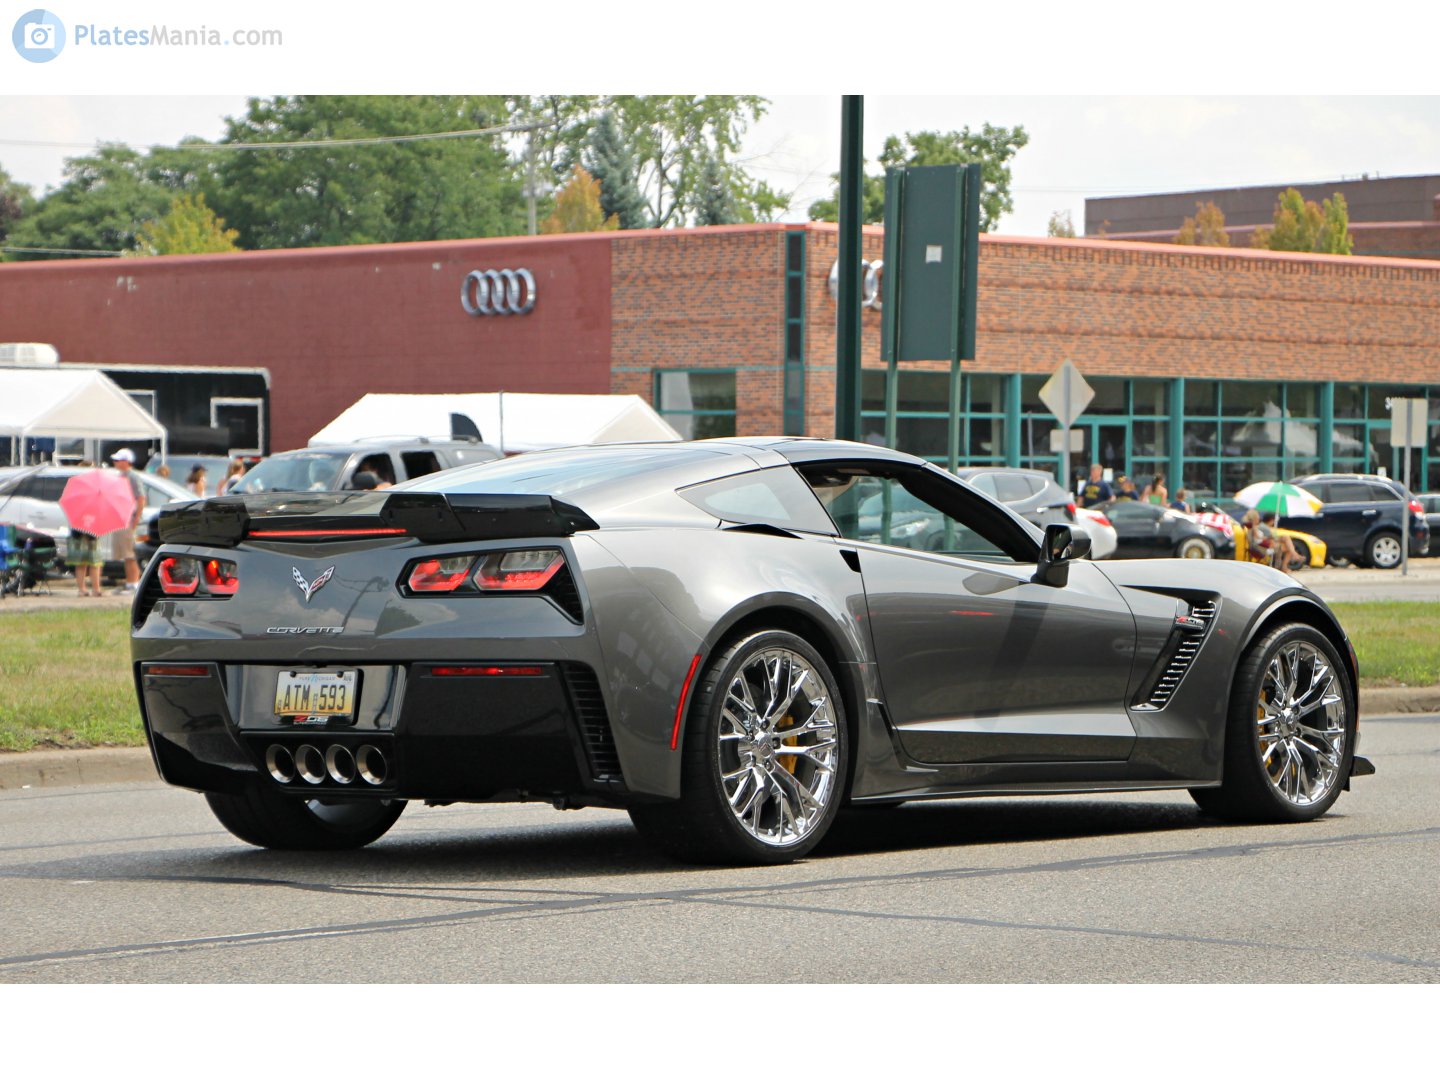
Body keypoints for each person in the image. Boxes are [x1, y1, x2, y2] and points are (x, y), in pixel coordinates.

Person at [108, 448, 144, 594]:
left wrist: (136, 519)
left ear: (126, 462)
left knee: (130, 553)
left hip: (129, 519)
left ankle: (134, 583)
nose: (115, 463)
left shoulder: (133, 477)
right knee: (123, 553)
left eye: (118, 460)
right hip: (120, 518)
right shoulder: (120, 477)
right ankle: (129, 582)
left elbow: (141, 498)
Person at [68, 526, 103, 596]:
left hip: (93, 536)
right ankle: (82, 589)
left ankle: (96, 589)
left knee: (95, 563)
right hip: (79, 535)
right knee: (81, 563)